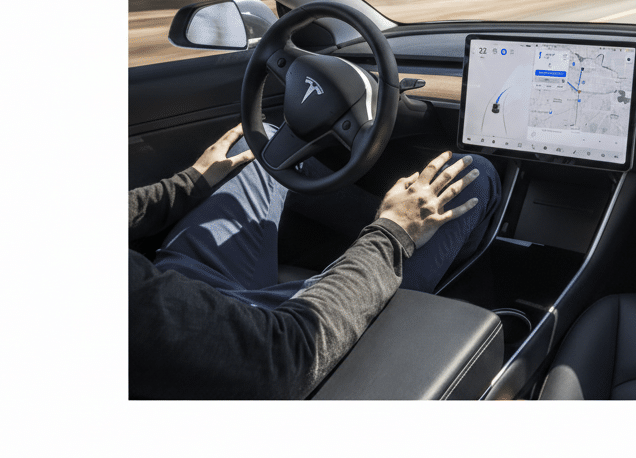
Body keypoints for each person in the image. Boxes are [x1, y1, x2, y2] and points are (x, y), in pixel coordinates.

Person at [128, 124, 500, 399]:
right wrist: (392, 232)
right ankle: (410, 247)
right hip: (266, 342)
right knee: (474, 176)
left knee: (262, 145)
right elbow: (285, 357)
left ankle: (393, 232)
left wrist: (185, 185)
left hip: (174, 287)